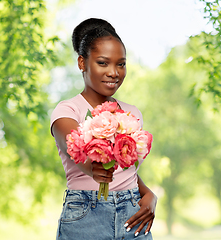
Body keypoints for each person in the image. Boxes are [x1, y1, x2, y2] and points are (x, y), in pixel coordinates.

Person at [50, 18, 157, 239]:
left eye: (121, 64)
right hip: (86, 215)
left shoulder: (132, 114)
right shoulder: (67, 111)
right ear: (82, 63)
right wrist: (92, 167)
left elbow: (127, 172)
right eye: (103, 63)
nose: (114, 72)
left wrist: (148, 195)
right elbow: (73, 145)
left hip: (132, 215)